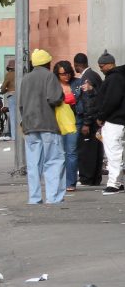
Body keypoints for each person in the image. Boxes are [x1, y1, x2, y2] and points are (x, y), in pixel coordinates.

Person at [18, 50, 66, 205]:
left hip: (30, 125)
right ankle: (53, 198)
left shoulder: (26, 79)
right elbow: (54, 98)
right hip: (48, 125)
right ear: (48, 63)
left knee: (33, 164)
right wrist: (62, 97)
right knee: (54, 161)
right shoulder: (49, 76)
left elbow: (21, 105)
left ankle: (34, 198)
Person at [95, 51, 125, 194]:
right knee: (119, 153)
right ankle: (118, 182)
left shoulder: (114, 78)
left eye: (101, 66)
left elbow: (111, 100)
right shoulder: (120, 77)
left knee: (113, 154)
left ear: (110, 64)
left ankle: (113, 184)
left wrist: (101, 116)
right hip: (120, 121)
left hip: (113, 121)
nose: (100, 69)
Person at [74, 52, 104, 186]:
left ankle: (87, 178)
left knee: (86, 150)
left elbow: (88, 101)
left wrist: (86, 123)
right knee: (97, 150)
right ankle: (96, 178)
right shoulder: (95, 74)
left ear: (77, 65)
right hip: (97, 119)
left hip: (90, 120)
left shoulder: (86, 78)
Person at [53, 61, 81, 193]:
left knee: (71, 153)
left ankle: (70, 182)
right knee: (59, 154)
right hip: (57, 124)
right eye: (63, 74)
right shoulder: (53, 85)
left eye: (68, 73)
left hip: (73, 123)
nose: (66, 76)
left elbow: (83, 101)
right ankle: (59, 181)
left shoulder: (77, 83)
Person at [0, 60, 18, 141]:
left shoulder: (9, 75)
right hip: (21, 95)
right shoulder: (21, 73)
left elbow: (3, 87)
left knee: (13, 117)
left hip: (12, 95)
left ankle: (14, 137)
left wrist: (3, 91)